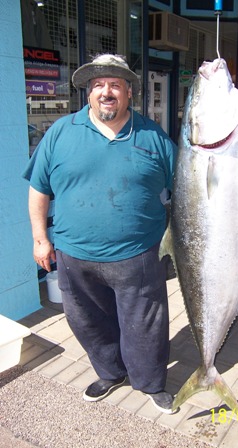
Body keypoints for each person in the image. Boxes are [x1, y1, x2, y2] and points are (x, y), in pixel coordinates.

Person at [23, 54, 177, 414]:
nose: (106, 91)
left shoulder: (153, 136)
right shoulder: (61, 132)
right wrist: (40, 238)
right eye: (98, 85)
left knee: (145, 326)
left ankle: (150, 383)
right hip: (74, 254)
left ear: (129, 93)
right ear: (88, 94)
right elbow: (39, 188)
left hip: (139, 254)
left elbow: (187, 188)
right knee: (88, 321)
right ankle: (110, 373)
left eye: (115, 84)